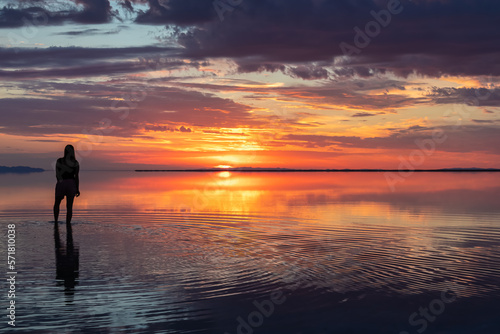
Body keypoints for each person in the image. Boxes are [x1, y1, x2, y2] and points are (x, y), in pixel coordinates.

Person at [53, 145, 80, 225]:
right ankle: (68, 224)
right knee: (69, 207)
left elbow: (57, 174)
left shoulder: (59, 161)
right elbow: (76, 177)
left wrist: (59, 183)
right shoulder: (75, 162)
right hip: (71, 184)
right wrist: (77, 188)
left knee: (57, 203)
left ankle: (56, 221)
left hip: (62, 182)